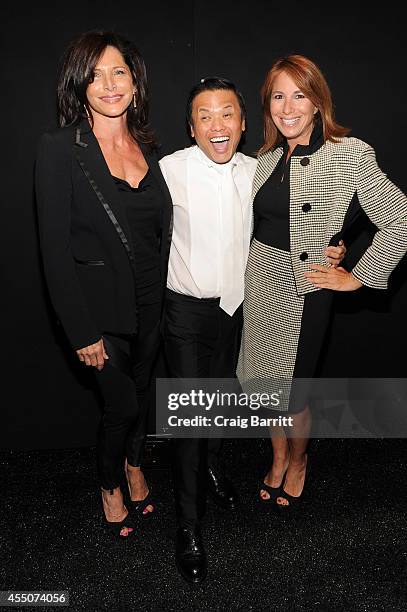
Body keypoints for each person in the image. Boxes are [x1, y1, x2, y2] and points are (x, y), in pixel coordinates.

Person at [159, 77, 346, 583]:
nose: (217, 125)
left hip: (242, 308)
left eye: (227, 114)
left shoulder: (259, 168)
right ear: (191, 127)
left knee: (224, 400)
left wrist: (340, 250)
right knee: (191, 415)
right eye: (204, 115)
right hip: (186, 314)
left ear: (243, 124)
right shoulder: (169, 171)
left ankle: (213, 465)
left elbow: (300, 218)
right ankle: (189, 527)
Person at [237, 54, 407, 512]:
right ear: (267, 103)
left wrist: (357, 276)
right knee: (265, 388)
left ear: (317, 103)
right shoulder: (266, 157)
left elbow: (398, 219)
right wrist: (342, 241)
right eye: (278, 96)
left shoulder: (349, 153)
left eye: (300, 95)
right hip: (262, 284)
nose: (288, 107)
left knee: (294, 395)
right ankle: (276, 456)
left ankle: (298, 461)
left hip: (305, 292)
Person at [35, 31, 172, 538]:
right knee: (123, 405)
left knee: (142, 392)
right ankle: (109, 483)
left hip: (151, 305)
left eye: (118, 72)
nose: (108, 84)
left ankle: (136, 464)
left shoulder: (151, 148)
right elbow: (52, 251)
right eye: (94, 75)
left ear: (134, 82)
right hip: (97, 314)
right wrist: (80, 330)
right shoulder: (59, 149)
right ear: (78, 85)